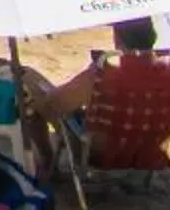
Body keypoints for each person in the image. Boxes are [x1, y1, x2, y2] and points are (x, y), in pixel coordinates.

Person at [22, 16, 159, 165]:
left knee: (27, 80)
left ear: (117, 39)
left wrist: (92, 72)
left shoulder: (102, 78)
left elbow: (55, 104)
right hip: (147, 153)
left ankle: (47, 160)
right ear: (153, 36)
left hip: (97, 154)